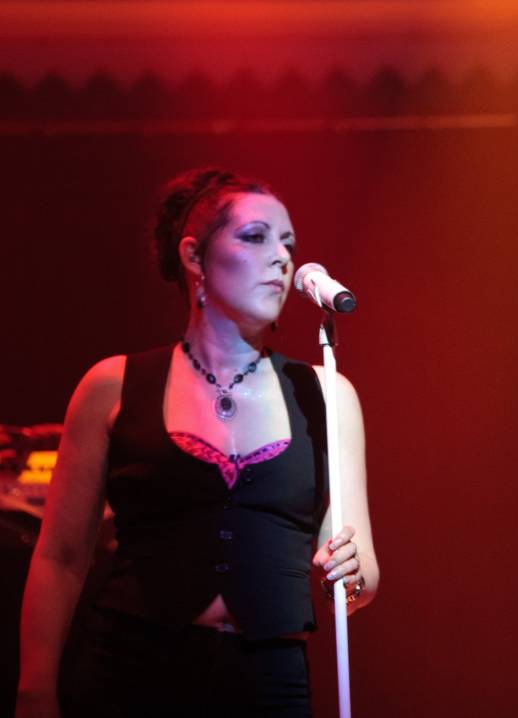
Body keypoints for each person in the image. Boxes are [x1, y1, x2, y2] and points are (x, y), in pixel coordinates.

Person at [15, 168, 379, 717]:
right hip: (133, 671)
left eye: (288, 243)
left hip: (268, 683)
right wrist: (35, 690)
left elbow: (362, 575)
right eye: (256, 237)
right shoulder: (112, 386)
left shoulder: (325, 393)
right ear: (194, 258)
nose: (281, 257)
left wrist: (351, 574)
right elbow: (62, 556)